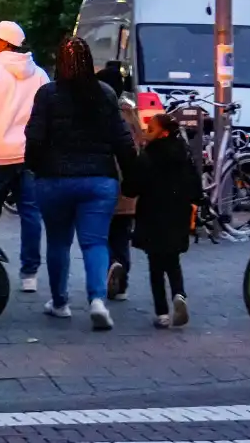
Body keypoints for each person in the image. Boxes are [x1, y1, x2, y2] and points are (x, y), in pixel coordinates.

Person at [24, 37, 137, 331]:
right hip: (99, 180)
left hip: (55, 180)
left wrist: (35, 168)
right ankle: (97, 300)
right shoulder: (105, 95)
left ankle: (60, 303)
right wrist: (132, 176)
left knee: (59, 242)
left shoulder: (47, 95)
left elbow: (34, 137)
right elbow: (122, 140)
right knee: (95, 242)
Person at [0, 21, 49, 293]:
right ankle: (30, 273)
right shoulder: (39, 74)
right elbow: (46, 115)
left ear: (5, 43)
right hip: (29, 155)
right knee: (31, 213)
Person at [126, 114, 201, 328]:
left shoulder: (148, 156)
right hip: (177, 214)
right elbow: (195, 187)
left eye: (150, 129)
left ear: (163, 132)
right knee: (173, 260)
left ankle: (162, 313)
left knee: (155, 266)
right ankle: (179, 294)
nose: (146, 133)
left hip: (152, 214)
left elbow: (131, 187)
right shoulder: (183, 154)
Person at [96, 62, 144, 301]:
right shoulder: (129, 111)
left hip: (103, 182)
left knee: (100, 234)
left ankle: (110, 266)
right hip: (129, 188)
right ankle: (122, 281)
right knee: (122, 234)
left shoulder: (98, 112)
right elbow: (140, 143)